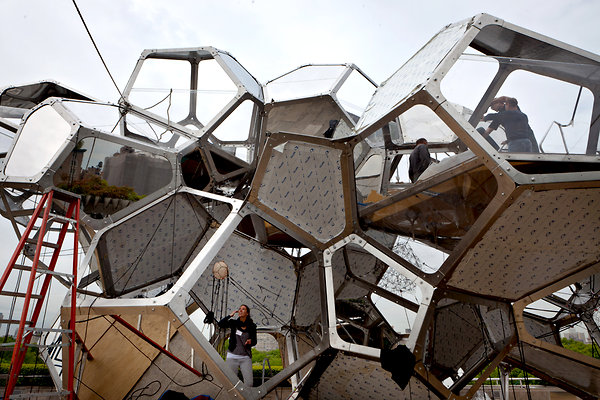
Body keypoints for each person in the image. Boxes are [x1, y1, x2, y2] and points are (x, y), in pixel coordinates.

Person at [218, 304, 257, 386]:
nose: (240, 310)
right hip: (232, 356)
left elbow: (254, 341)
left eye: (243, 309)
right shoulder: (233, 323)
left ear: (247, 313)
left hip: (245, 357)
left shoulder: (252, 326)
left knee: (249, 383)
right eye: (239, 309)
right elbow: (220, 324)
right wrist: (229, 315)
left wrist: (250, 341)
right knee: (231, 382)